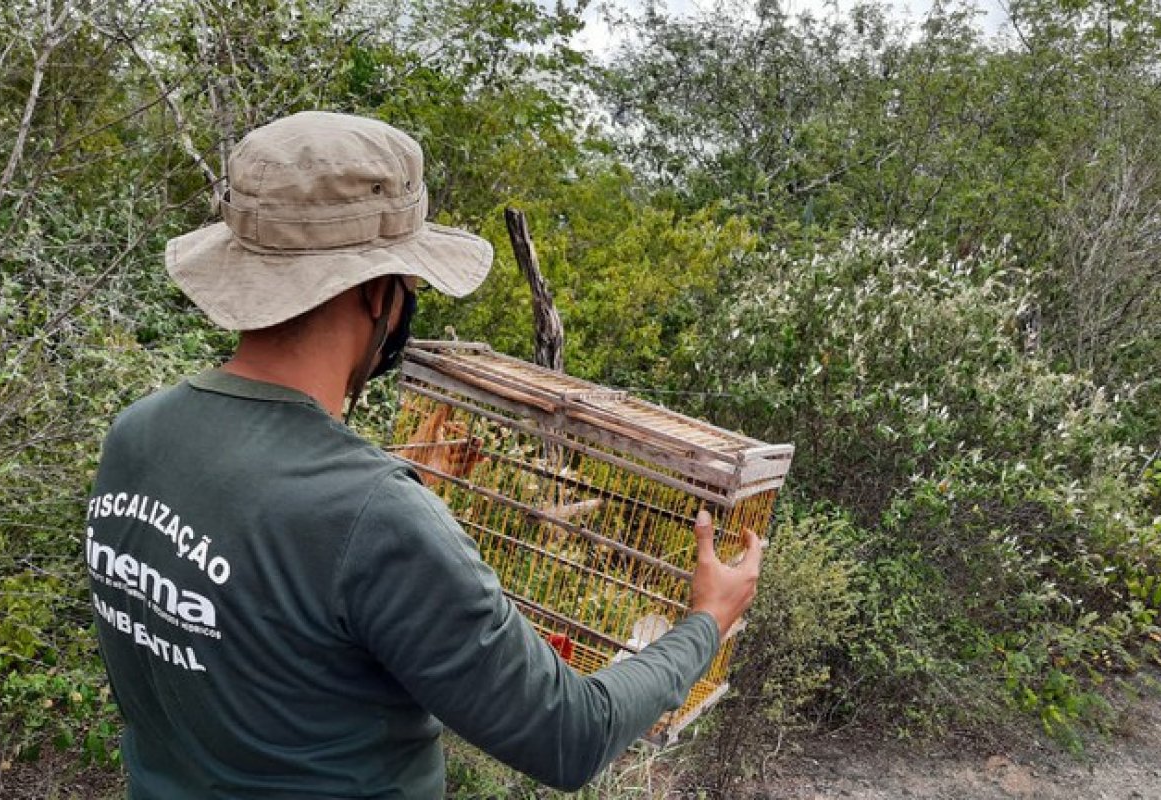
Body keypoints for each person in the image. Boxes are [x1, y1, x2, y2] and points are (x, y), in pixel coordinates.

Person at [85, 111, 761, 799]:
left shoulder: (137, 435)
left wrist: (403, 499)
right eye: (409, 287)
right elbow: (570, 735)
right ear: (378, 292)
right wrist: (706, 622)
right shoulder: (374, 516)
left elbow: (260, 639)